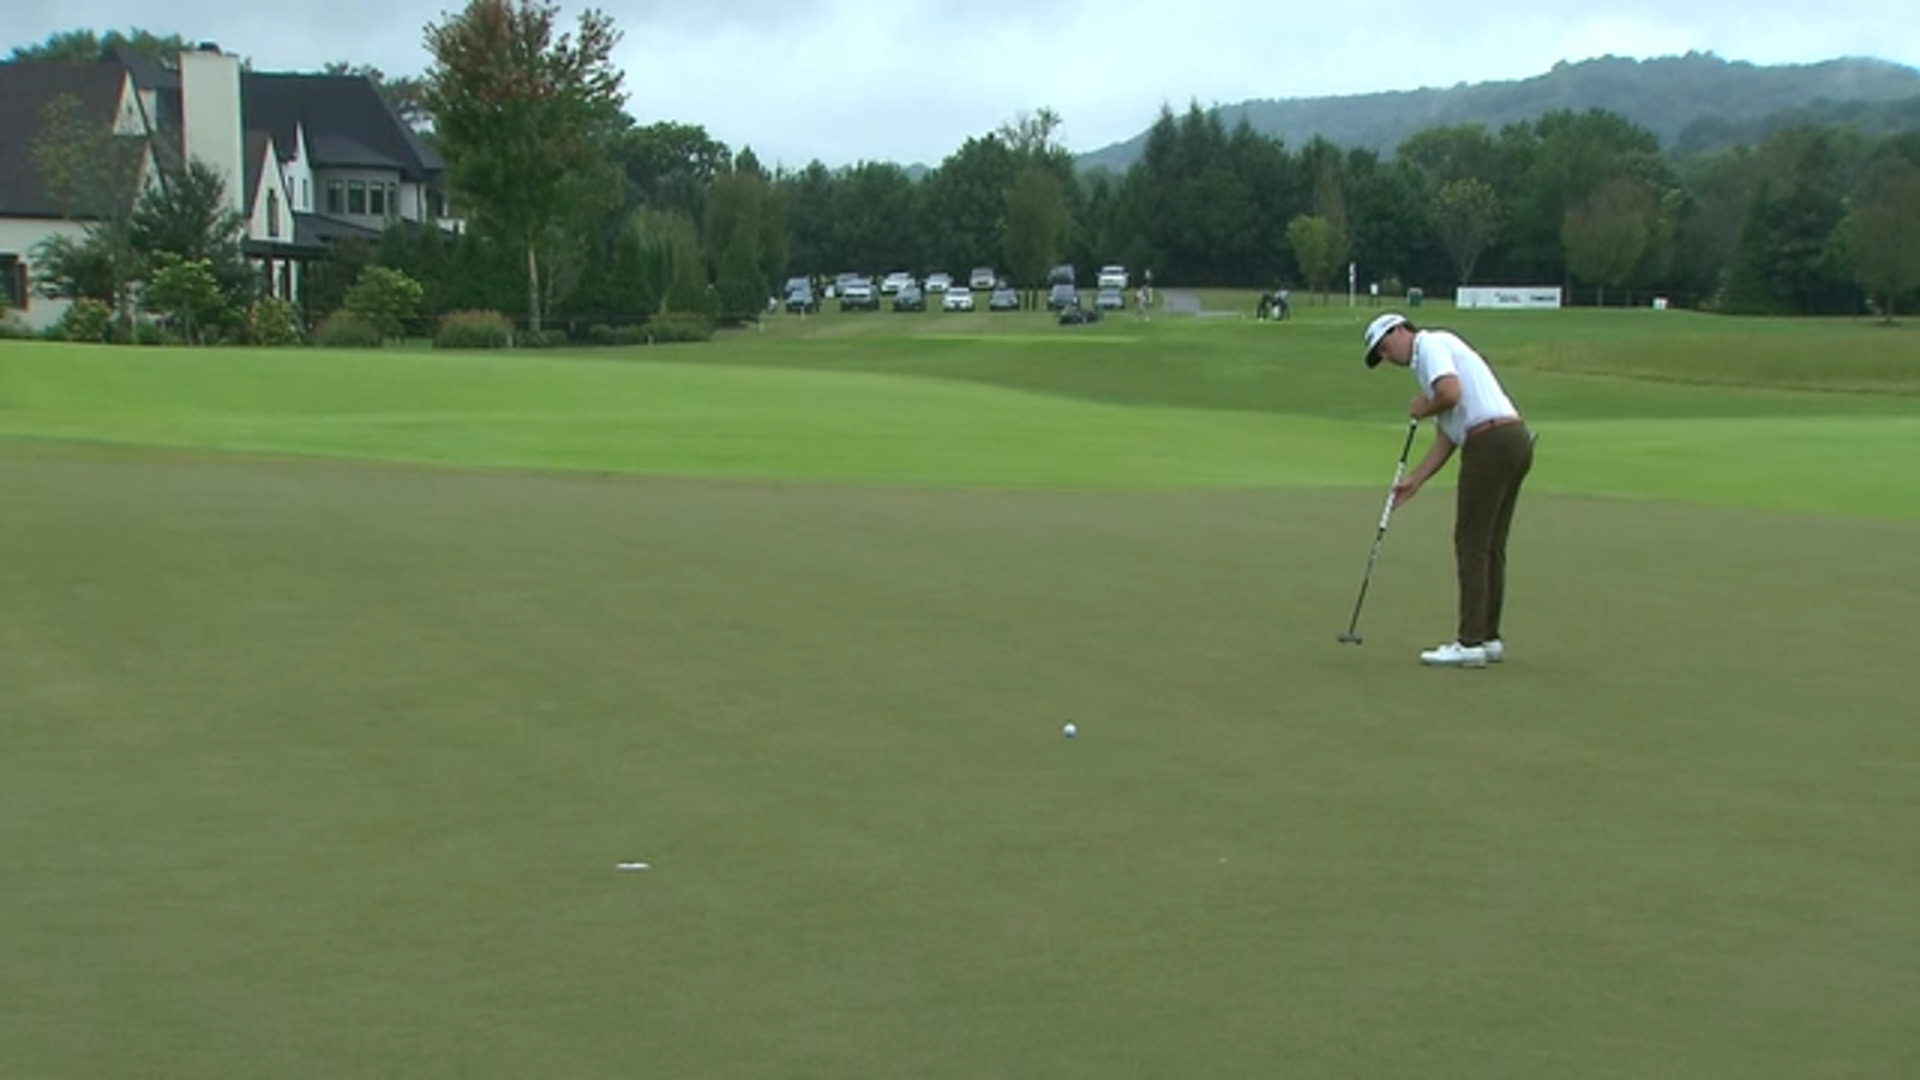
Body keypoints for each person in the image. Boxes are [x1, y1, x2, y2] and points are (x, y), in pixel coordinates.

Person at [1362, 312, 1535, 668]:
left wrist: (1423, 407)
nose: (1387, 357)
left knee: (1471, 542)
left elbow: (1450, 394)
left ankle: (1469, 643)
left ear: (1400, 330)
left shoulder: (1430, 345)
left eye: (1384, 346)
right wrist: (1416, 480)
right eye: (1380, 354)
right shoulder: (1432, 362)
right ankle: (1488, 639)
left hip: (1489, 442)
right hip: (1514, 440)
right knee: (1489, 545)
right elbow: (1449, 435)